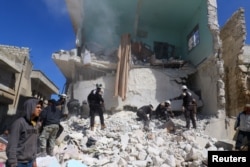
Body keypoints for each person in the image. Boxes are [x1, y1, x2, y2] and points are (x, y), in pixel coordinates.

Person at [6, 98, 42, 167]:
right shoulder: (19, 123)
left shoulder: (35, 124)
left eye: (40, 107)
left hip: (30, 162)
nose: (40, 109)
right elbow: (12, 144)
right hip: (18, 163)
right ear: (30, 107)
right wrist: (13, 163)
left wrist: (34, 160)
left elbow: (34, 144)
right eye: (37, 107)